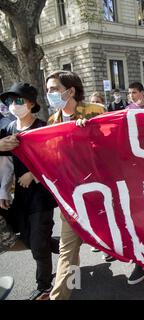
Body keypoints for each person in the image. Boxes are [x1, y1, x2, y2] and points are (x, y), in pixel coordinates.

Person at [44, 70, 105, 300]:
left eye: (53, 89)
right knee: (67, 248)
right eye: (48, 89)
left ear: (70, 91)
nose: (49, 94)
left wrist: (90, 132)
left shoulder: (95, 111)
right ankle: (63, 295)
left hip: (100, 193)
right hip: (71, 195)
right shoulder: (53, 121)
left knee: (119, 238)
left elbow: (112, 146)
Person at [0, 82, 59, 300]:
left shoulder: (42, 127)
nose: (13, 105)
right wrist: (3, 193)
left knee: (37, 244)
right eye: (9, 101)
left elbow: (53, 160)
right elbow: (5, 164)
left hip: (41, 196)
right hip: (20, 197)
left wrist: (33, 173)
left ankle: (44, 286)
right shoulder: (7, 129)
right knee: (27, 237)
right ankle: (60, 245)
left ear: (31, 104)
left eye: (18, 100)